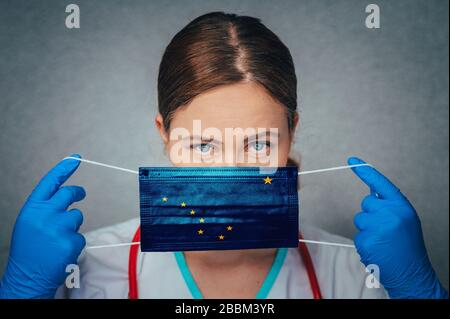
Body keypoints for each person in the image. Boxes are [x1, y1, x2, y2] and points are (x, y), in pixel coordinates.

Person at [0, 12, 447, 299]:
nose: (230, 170)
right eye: (202, 144)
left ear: (292, 132)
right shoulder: (84, 269)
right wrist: (22, 293)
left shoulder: (357, 274)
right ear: (165, 135)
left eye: (258, 143)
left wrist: (418, 292)